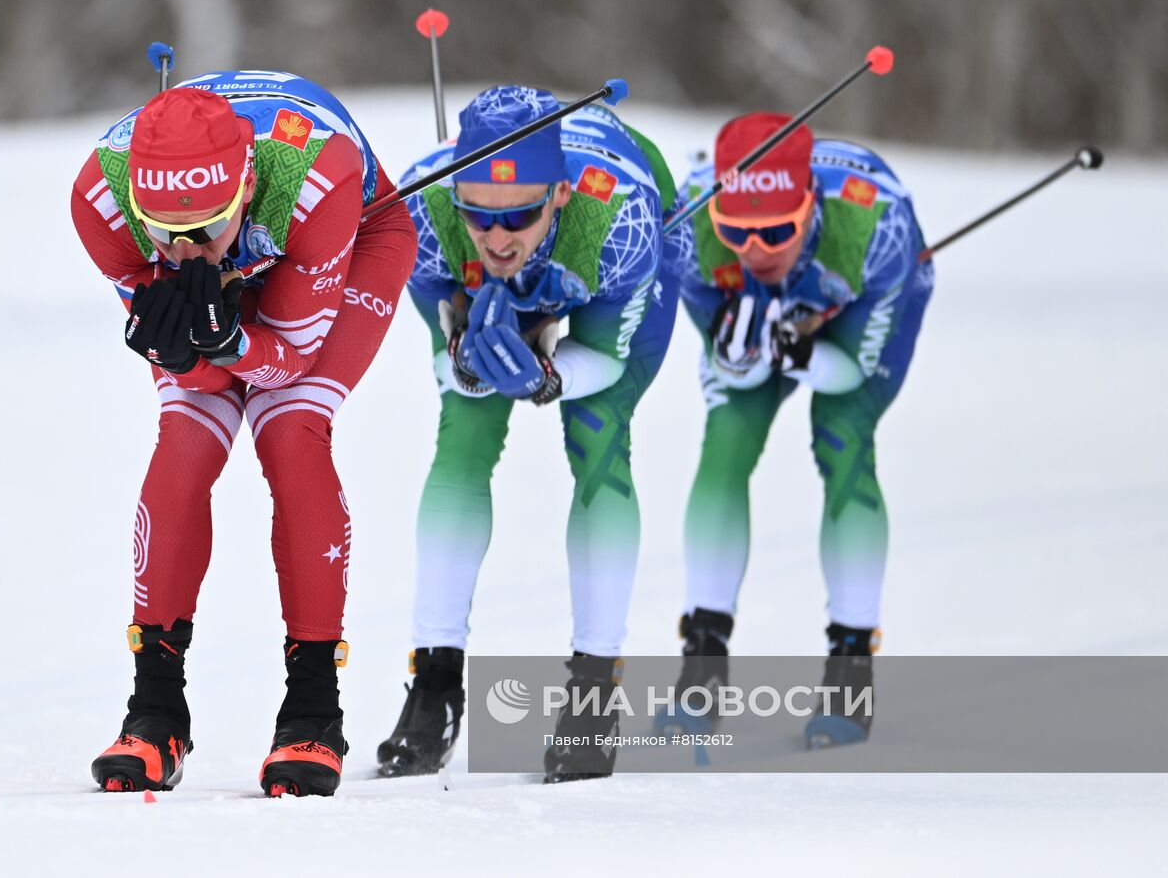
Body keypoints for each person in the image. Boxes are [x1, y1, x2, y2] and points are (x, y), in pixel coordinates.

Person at [69, 71, 416, 796]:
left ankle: (313, 710)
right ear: (138, 203)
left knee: (290, 431)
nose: (187, 250)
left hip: (348, 241)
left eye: (207, 227)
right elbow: (197, 370)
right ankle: (156, 707)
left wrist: (229, 342)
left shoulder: (315, 174)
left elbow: (285, 360)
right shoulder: (100, 200)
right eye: (164, 233)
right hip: (259, 258)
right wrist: (183, 351)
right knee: (186, 442)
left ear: (248, 185)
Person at [376, 85, 688, 782]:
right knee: (464, 431)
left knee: (598, 436)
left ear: (559, 198)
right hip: (502, 271)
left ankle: (595, 689)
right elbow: (447, 345)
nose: (497, 236)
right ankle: (434, 682)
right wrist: (463, 352)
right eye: (479, 216)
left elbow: (605, 361)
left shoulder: (620, 220)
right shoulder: (424, 213)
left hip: (618, 255)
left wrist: (549, 376)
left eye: (519, 214)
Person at [661, 112, 933, 746]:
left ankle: (851, 661)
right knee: (726, 441)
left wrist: (801, 350)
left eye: (777, 231)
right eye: (738, 232)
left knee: (842, 439)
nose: (755, 251)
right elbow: (724, 353)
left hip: (864, 298)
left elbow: (851, 371)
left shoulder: (877, 226)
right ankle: (702, 657)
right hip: (758, 309)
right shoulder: (691, 226)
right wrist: (737, 352)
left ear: (809, 207)